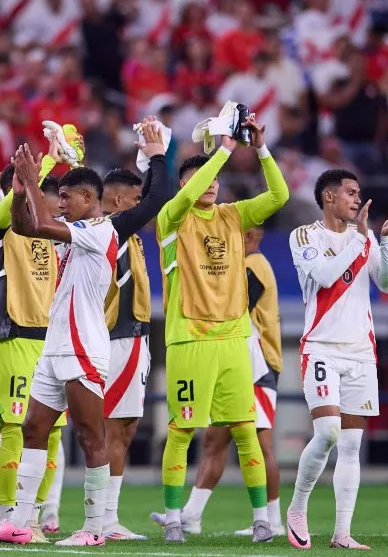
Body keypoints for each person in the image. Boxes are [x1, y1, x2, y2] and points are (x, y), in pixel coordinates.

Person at [156, 115, 288, 544]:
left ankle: (262, 521)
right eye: (200, 179)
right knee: (182, 431)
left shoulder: (234, 216)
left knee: (245, 431)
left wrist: (261, 149)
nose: (210, 184)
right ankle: (175, 518)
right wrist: (225, 150)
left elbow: (280, 194)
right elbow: (195, 187)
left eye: (213, 178)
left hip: (234, 340)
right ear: (185, 186)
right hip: (189, 339)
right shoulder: (171, 220)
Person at [0, 148, 116, 547]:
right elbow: (25, 227)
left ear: (89, 200)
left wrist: (33, 177)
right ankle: (21, 522)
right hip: (54, 349)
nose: (61, 203)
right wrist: (23, 188)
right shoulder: (71, 235)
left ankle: (94, 529)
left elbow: (39, 222)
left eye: (67, 197)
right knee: (33, 428)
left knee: (91, 436)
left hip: (83, 349)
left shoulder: (98, 231)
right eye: (58, 197)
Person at [287, 170, 388, 550]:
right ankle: (298, 508)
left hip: (360, 352)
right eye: (351, 193)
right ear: (329, 197)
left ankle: (341, 533)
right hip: (320, 347)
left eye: (359, 193)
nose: (357, 199)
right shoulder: (305, 236)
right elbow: (323, 274)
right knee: (328, 433)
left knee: (351, 445)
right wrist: (359, 241)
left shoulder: (365, 237)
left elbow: (387, 284)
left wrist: (382, 241)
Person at [0, 128, 78, 541]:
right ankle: (6, 512)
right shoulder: (2, 231)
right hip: (13, 337)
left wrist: (64, 157)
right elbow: (4, 208)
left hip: (51, 341)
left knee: (52, 431)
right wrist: (41, 165)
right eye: (39, 193)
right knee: (14, 428)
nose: (48, 204)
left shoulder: (53, 235)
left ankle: (32, 517)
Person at [97, 121, 170, 540]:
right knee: (105, 429)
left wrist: (145, 160)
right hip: (112, 340)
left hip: (135, 340)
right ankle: (97, 518)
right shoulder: (108, 231)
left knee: (123, 428)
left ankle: (108, 517)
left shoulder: (133, 239)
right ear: (121, 201)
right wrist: (155, 158)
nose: (144, 205)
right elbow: (158, 199)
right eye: (137, 199)